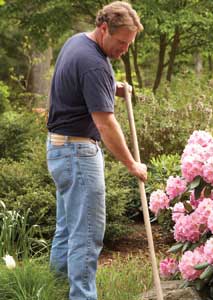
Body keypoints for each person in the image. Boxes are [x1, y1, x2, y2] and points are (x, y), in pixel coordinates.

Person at [46, 2, 147, 299]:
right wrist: (132, 165)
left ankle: (55, 289)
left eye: (129, 44)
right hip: (78, 155)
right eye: (121, 42)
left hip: (59, 149)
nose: (124, 50)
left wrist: (112, 86)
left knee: (67, 230)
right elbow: (106, 124)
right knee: (86, 236)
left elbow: (79, 84)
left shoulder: (77, 42)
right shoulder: (95, 65)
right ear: (104, 29)